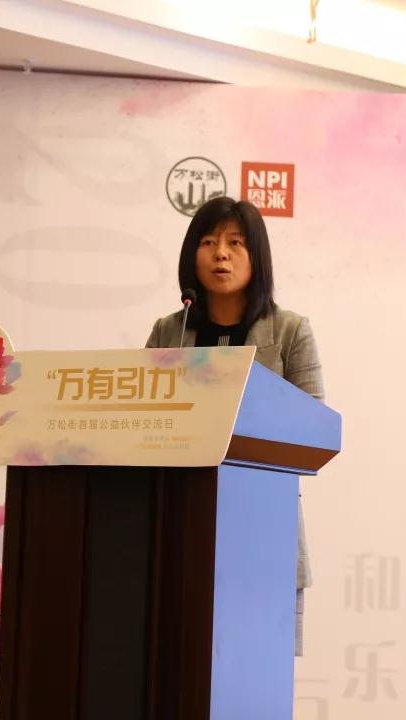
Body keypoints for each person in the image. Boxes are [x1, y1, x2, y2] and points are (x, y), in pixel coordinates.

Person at [145, 196, 324, 656]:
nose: (220, 254)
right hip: (180, 528)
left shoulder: (290, 332)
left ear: (256, 256)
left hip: (263, 530)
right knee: (176, 665)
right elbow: (139, 419)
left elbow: (313, 433)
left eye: (235, 243)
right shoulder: (169, 332)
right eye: (208, 242)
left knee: (257, 669)